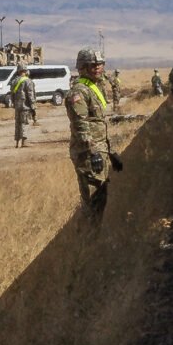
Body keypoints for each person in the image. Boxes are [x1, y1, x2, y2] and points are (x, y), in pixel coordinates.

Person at [66, 49, 122, 219]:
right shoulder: (80, 91)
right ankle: (87, 240)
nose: (98, 68)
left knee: (100, 199)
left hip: (98, 151)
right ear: (82, 67)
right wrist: (93, 152)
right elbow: (81, 125)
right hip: (88, 155)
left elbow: (98, 124)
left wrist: (110, 153)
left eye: (100, 65)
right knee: (93, 202)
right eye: (93, 65)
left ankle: (91, 237)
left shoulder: (93, 88)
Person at [11, 70, 35, 147]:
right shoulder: (28, 81)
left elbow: (12, 94)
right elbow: (30, 94)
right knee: (24, 122)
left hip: (17, 106)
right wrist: (33, 106)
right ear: (25, 71)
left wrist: (14, 103)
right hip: (25, 105)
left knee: (17, 123)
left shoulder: (14, 81)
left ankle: (17, 142)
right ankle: (24, 142)